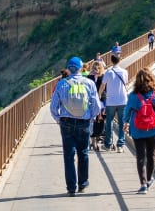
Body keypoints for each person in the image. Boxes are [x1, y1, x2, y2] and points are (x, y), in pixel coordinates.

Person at [49, 56, 102, 197]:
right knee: (83, 153)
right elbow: (96, 107)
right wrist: (90, 118)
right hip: (84, 123)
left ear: (68, 68)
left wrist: (58, 120)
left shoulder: (62, 84)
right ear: (80, 68)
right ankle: (83, 183)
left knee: (68, 155)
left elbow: (53, 107)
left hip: (66, 122)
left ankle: (71, 187)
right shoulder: (89, 83)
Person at [123, 68, 155, 194]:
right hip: (153, 130)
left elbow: (127, 111)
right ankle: (149, 180)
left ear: (137, 81)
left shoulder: (133, 96)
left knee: (140, 156)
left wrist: (126, 123)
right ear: (151, 79)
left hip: (137, 130)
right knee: (151, 155)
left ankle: (143, 184)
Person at [99, 55, 129, 152]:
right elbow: (125, 83)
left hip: (111, 101)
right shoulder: (125, 72)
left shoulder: (108, 72)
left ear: (111, 61)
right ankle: (120, 145)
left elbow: (103, 85)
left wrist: (99, 95)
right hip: (122, 100)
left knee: (109, 122)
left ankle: (108, 144)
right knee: (122, 123)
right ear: (120, 61)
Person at [88, 60, 107, 151]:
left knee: (92, 121)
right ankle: (100, 136)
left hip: (91, 102)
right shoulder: (103, 77)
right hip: (102, 102)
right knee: (101, 120)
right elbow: (106, 90)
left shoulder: (88, 77)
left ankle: (93, 142)